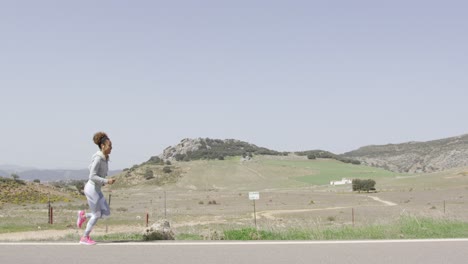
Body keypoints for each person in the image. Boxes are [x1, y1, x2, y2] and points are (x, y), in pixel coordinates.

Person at [76, 132, 116, 245]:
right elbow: (92, 176)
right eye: (109, 146)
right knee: (97, 214)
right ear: (103, 146)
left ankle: (83, 215)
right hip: (91, 189)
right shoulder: (98, 158)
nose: (111, 149)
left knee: (106, 213)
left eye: (111, 146)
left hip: (97, 189)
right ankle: (84, 238)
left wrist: (105, 181)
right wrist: (106, 181)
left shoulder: (105, 158)